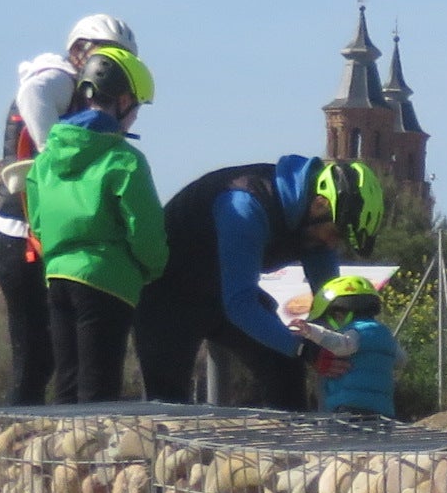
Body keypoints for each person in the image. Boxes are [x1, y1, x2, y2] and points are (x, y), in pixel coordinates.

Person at [137, 155, 387, 409]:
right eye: (335, 233)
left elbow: (330, 298)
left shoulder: (316, 225)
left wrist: (357, 337)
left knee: (284, 366)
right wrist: (306, 350)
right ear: (319, 204)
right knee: (167, 409)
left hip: (225, 292)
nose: (333, 244)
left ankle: (292, 443)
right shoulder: (245, 205)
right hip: (168, 297)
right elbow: (240, 305)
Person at [0, 12, 135, 406]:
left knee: (49, 356)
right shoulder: (58, 76)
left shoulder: (74, 88)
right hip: (19, 235)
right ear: (78, 52)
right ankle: (16, 447)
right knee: (35, 356)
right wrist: (55, 154)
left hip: (33, 235)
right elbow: (32, 96)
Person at [21, 46, 165, 403]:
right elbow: (145, 231)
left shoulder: (47, 157)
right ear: (124, 100)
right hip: (108, 281)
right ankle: (93, 458)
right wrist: (151, 268)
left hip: (57, 278)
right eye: (137, 108)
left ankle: (63, 455)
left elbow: (37, 221)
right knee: (99, 388)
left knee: (67, 383)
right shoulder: (125, 160)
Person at [304, 273, 405, 421]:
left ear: (338, 315)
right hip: (384, 410)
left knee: (345, 443)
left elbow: (341, 345)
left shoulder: (355, 333)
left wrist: (311, 332)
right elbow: (401, 359)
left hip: (349, 408)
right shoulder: (386, 335)